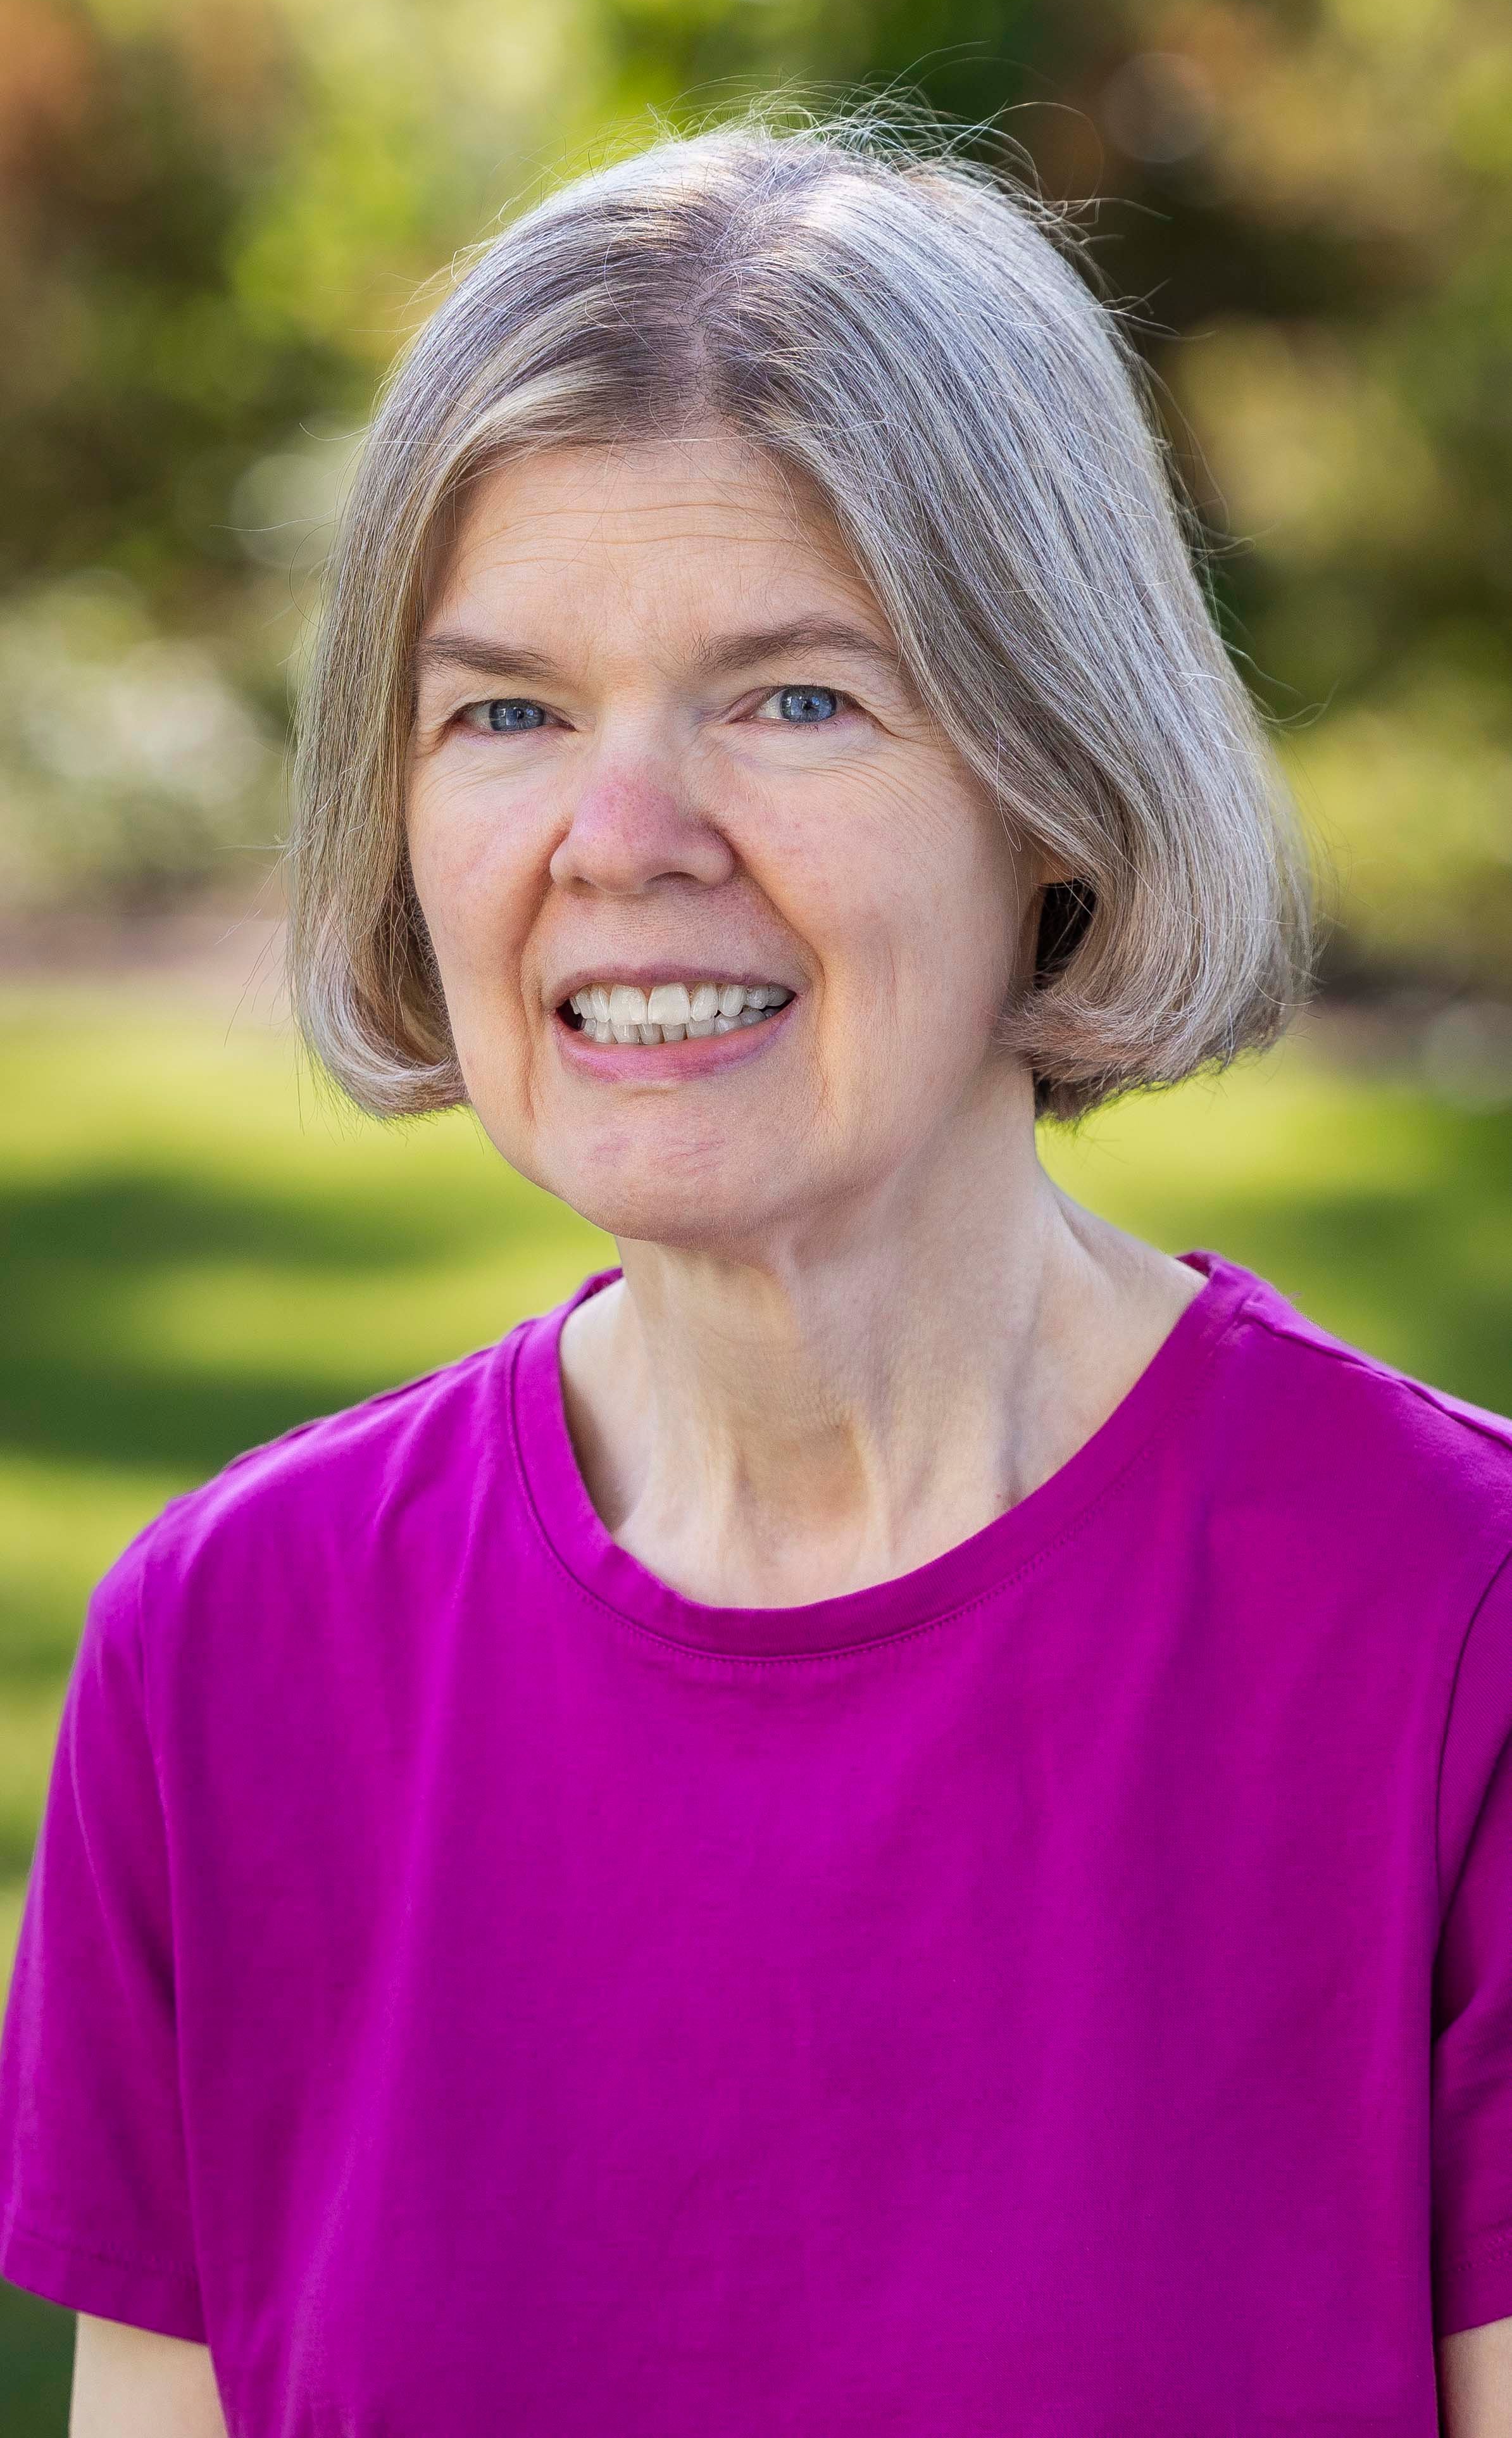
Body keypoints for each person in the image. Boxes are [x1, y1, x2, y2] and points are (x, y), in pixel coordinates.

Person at [3, 120, 1510, 2438]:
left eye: (795, 697)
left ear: (1061, 787)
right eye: (506, 711)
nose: (622, 838)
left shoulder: (1448, 1634)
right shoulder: (227, 1657)